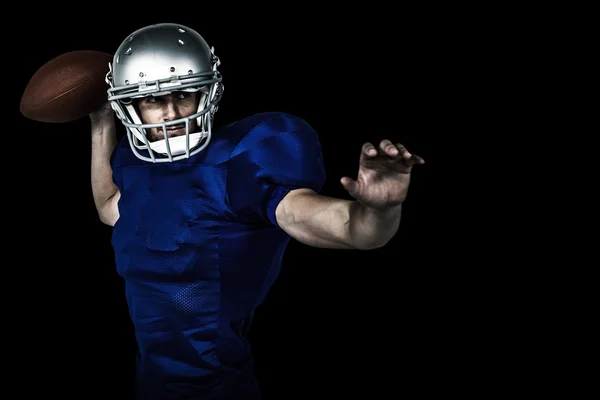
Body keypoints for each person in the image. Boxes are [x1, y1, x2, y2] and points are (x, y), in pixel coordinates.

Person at [90, 22, 425, 400]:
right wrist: (100, 124)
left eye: (184, 94)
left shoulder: (238, 165)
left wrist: (379, 211)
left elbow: (353, 230)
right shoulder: (137, 166)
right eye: (153, 100)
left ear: (207, 92)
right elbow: (109, 208)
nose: (170, 113)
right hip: (150, 384)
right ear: (129, 106)